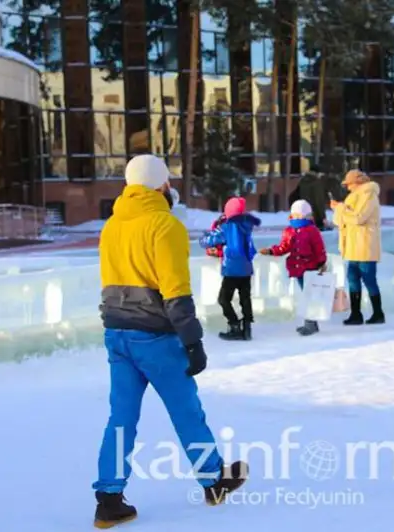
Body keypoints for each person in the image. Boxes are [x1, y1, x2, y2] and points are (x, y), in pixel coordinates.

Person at [94, 154, 248, 528]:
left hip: (117, 333)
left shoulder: (112, 225)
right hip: (155, 336)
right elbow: (176, 292)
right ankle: (214, 480)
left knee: (121, 417)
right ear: (162, 184)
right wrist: (193, 343)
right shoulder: (165, 225)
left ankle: (109, 498)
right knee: (185, 410)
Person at [259, 199, 328, 336]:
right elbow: (284, 247)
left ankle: (310, 324)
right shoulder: (289, 231)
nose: (295, 217)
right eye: (294, 214)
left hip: (310, 267)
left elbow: (319, 249)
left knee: (309, 296)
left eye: (299, 214)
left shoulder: (312, 230)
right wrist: (272, 251)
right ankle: (311, 323)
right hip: (297, 268)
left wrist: (321, 263)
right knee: (306, 295)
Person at [199, 197, 261, 341]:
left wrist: (203, 237)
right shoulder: (247, 225)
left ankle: (234, 325)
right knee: (245, 299)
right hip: (246, 269)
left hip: (232, 270)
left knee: (223, 299)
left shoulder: (227, 227)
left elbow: (209, 240)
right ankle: (247, 328)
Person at [329, 169, 385, 325]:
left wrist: (341, 208)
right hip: (353, 245)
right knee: (353, 280)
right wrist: (338, 209)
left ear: (358, 182)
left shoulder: (368, 194)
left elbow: (359, 218)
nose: (347, 187)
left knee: (369, 279)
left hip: (365, 244)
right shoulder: (353, 196)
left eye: (349, 184)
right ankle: (355, 314)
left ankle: (378, 313)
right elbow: (340, 220)